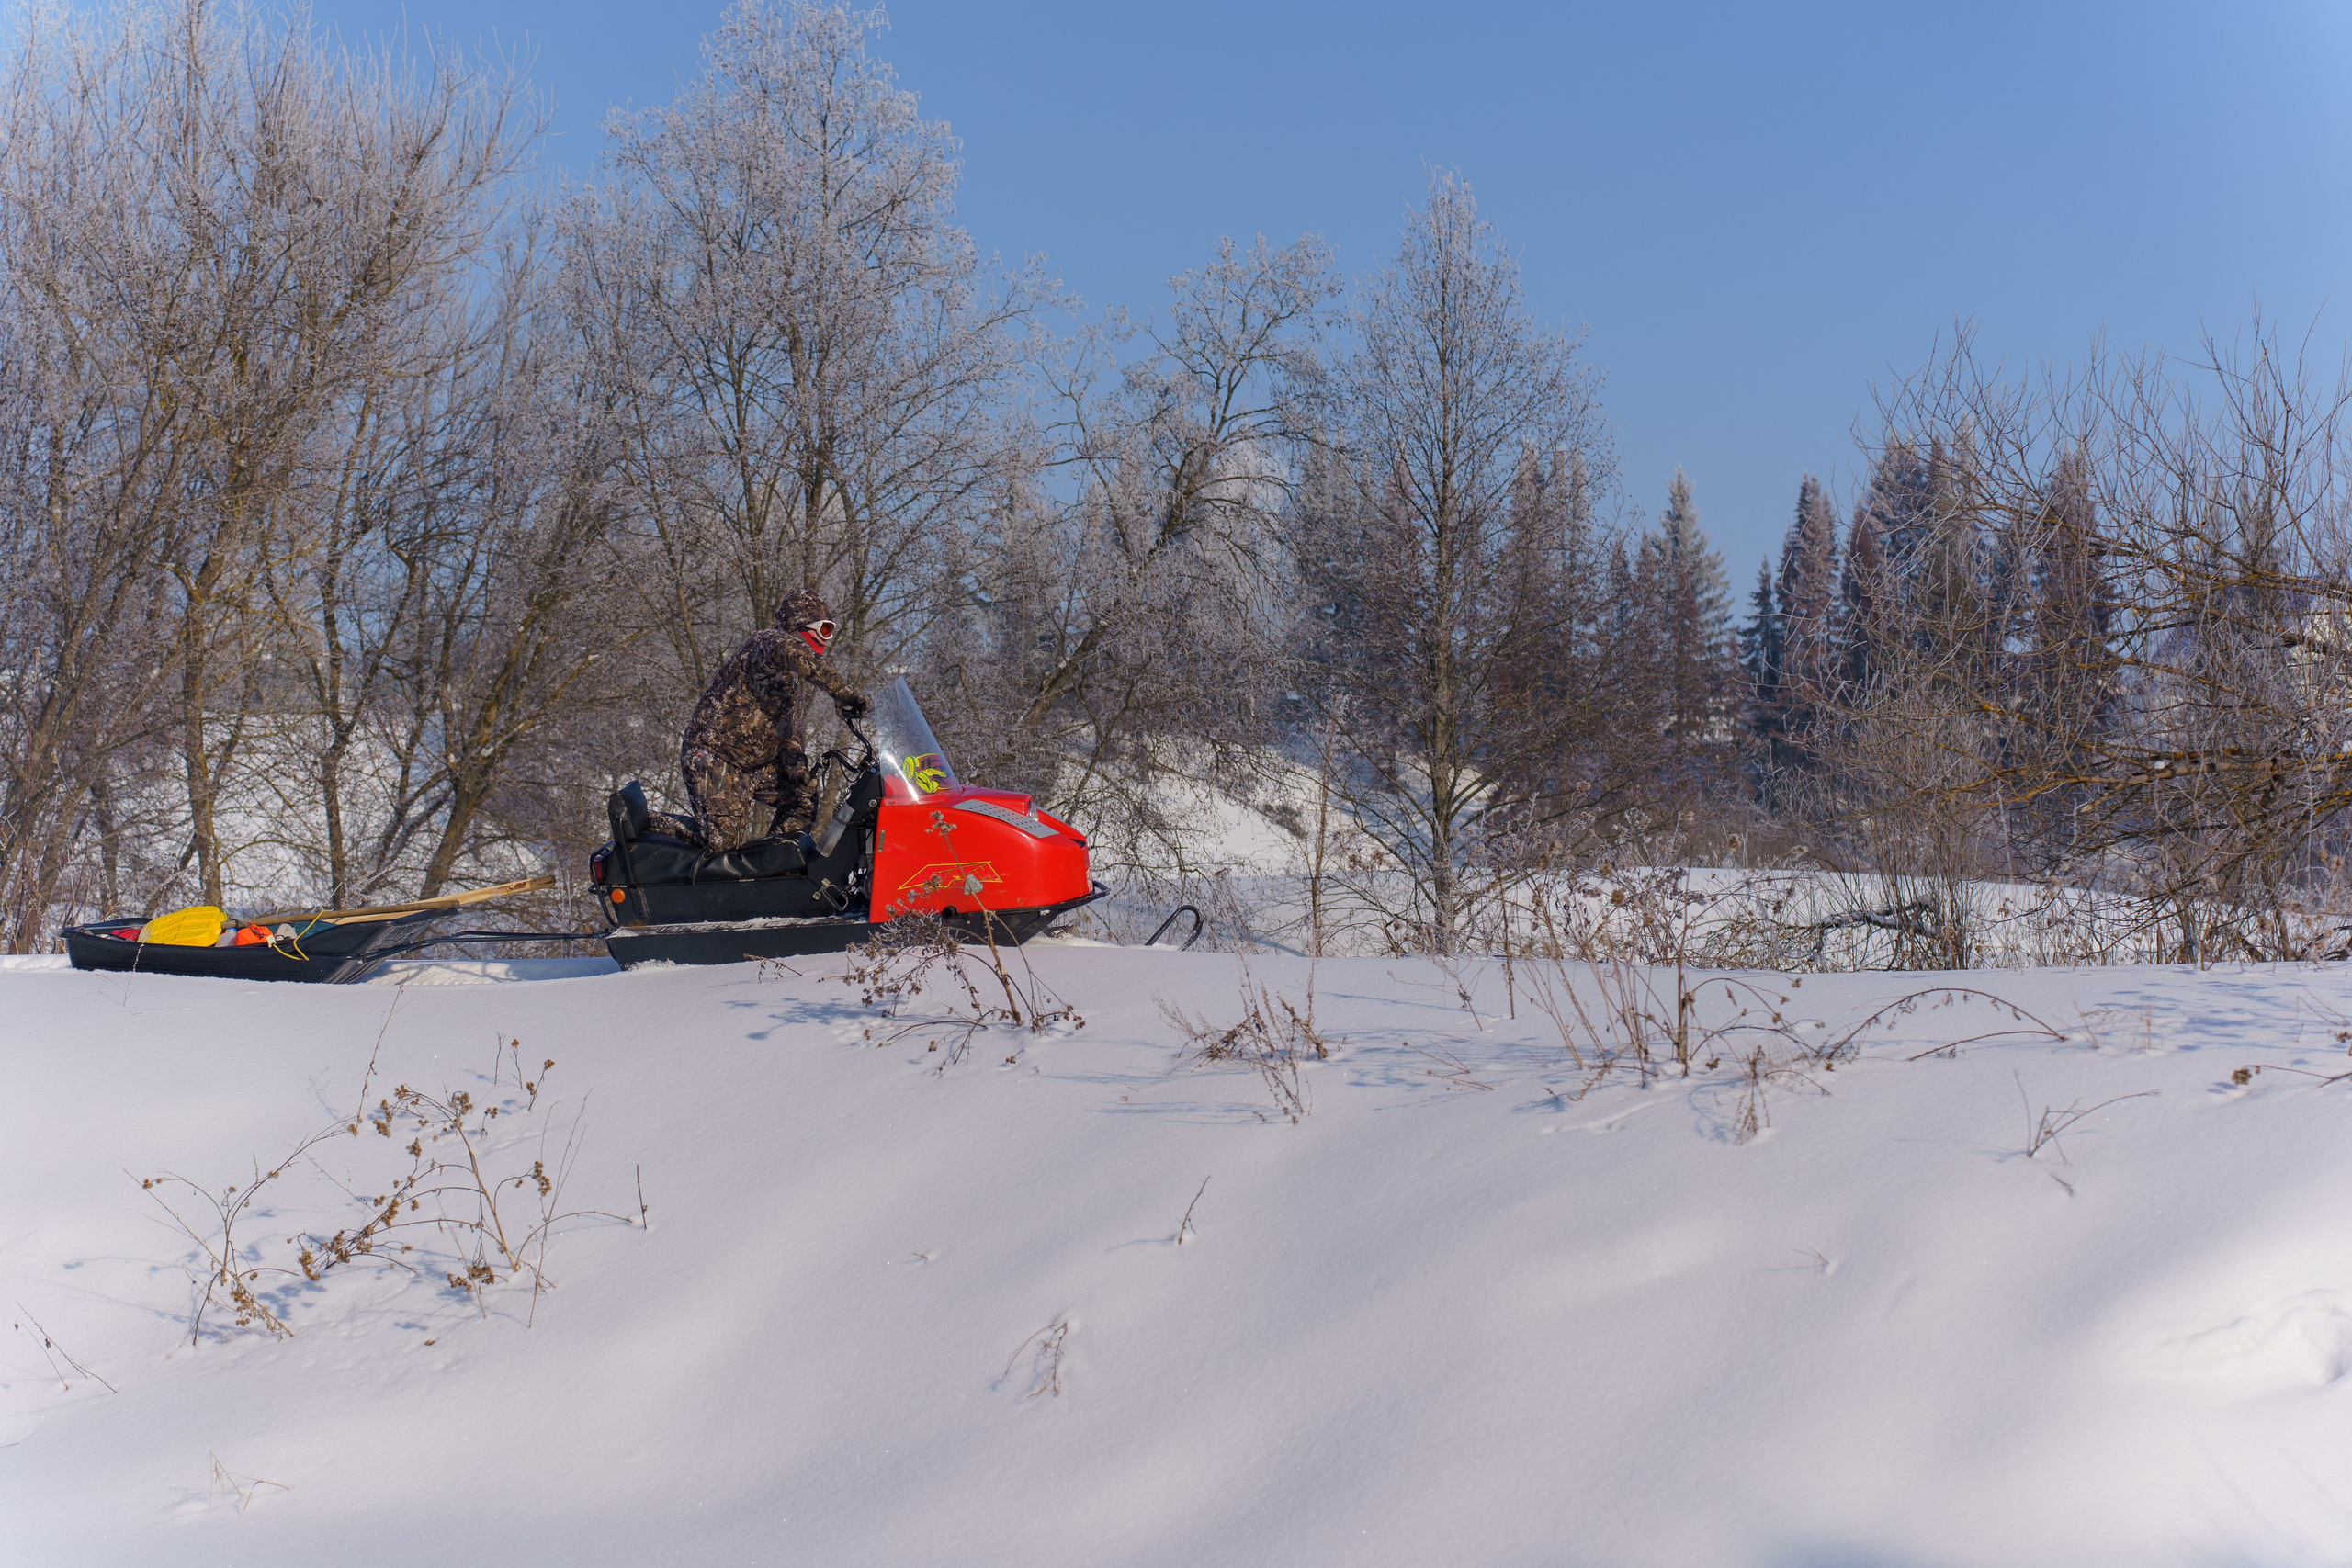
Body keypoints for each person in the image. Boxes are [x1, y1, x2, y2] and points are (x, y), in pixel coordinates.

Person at [679, 591, 870, 851]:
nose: (828, 639)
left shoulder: (792, 681)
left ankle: (771, 867)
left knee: (801, 799)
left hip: (751, 766)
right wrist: (841, 691)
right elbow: (789, 649)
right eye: (824, 629)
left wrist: (797, 769)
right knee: (721, 847)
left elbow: (789, 733)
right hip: (714, 757)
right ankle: (650, 824)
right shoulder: (766, 645)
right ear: (799, 625)